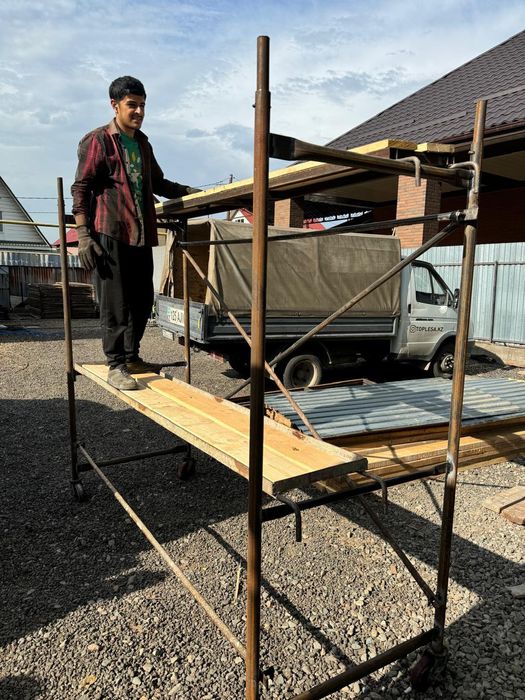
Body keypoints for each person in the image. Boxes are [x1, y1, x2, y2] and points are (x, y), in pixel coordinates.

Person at [71, 76, 199, 390]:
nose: (139, 111)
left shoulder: (142, 143)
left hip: (140, 235)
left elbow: (160, 183)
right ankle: (116, 365)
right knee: (115, 304)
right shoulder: (98, 141)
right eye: (132, 105)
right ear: (115, 105)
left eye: (142, 105)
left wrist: (191, 193)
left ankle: (131, 356)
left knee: (142, 300)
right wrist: (84, 234)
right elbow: (80, 188)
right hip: (109, 233)